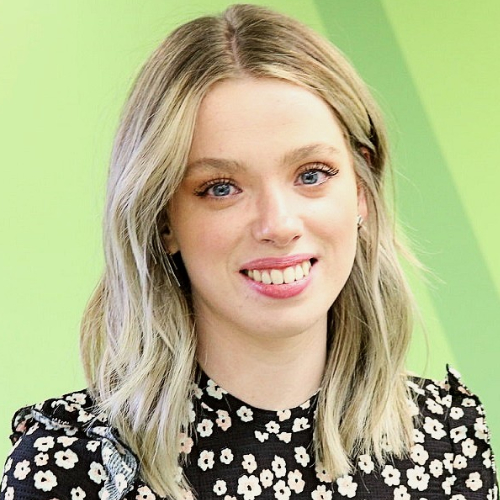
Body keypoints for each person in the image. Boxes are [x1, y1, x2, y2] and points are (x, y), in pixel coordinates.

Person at [0, 4, 497, 499]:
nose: (278, 225)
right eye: (221, 187)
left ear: (362, 189)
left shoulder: (448, 445)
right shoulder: (69, 470)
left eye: (312, 175)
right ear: (163, 219)